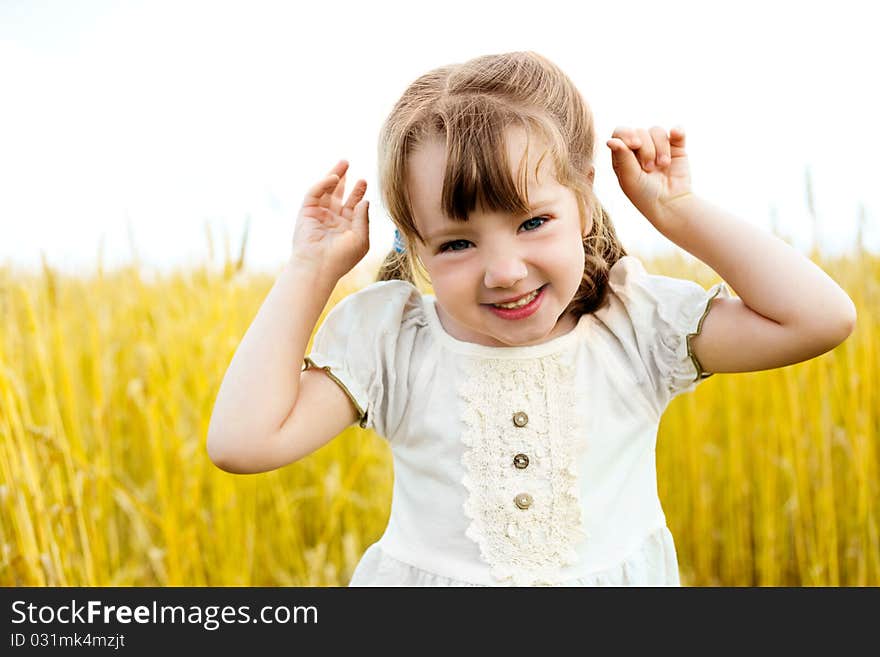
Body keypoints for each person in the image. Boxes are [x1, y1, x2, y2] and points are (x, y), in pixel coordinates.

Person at [206, 51, 857, 586]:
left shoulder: (633, 329)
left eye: (533, 222)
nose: (505, 270)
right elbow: (242, 442)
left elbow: (818, 319)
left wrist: (678, 211)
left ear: (584, 198)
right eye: (458, 242)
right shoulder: (395, 345)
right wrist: (309, 271)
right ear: (415, 243)